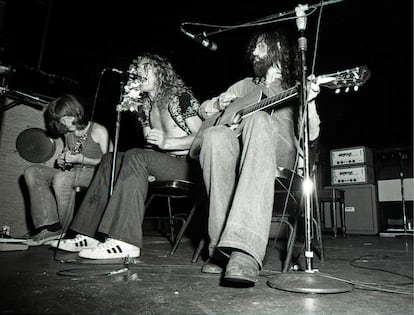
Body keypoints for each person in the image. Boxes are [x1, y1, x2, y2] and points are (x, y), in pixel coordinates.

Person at [193, 29, 321, 285]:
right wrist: (218, 104)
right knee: (216, 137)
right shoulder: (244, 85)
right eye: (253, 48)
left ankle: (245, 251)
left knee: (258, 120)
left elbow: (312, 133)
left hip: (280, 153)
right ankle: (220, 249)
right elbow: (203, 110)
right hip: (241, 151)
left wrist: (309, 101)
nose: (253, 52)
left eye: (260, 47)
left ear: (277, 50)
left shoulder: (295, 85)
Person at [50, 53, 203, 260]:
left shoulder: (181, 98)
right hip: (162, 162)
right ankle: (88, 233)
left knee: (135, 155)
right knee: (109, 159)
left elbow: (204, 138)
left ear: (160, 71)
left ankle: (125, 240)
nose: (138, 72)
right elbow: (150, 145)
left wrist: (169, 143)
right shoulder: (144, 106)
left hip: (187, 164)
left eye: (145, 67)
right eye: (136, 69)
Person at [24, 94, 113, 245]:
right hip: (74, 172)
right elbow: (67, 157)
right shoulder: (68, 133)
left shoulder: (98, 130)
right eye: (61, 120)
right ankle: (52, 226)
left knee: (62, 179)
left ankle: (67, 231)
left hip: (95, 174)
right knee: (32, 172)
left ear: (76, 112)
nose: (65, 122)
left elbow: (110, 163)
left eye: (67, 117)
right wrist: (62, 160)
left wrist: (82, 160)